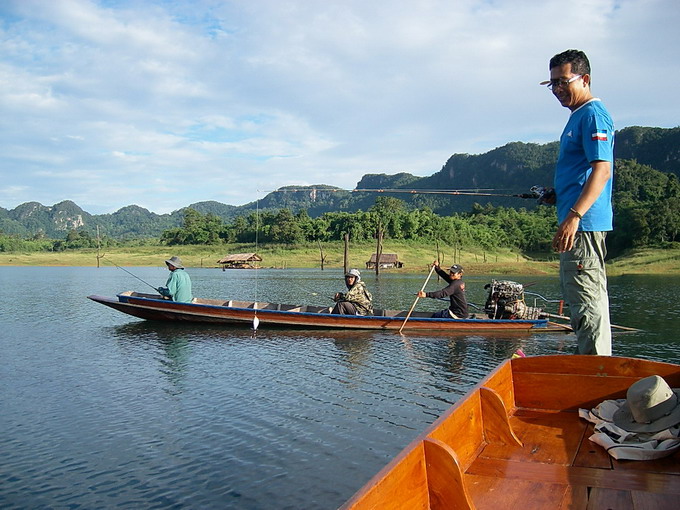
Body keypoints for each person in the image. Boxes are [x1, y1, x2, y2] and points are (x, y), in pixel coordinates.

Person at [541, 49, 614, 355]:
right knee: (582, 302)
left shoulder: (593, 115)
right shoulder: (578, 116)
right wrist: (558, 194)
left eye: (563, 81)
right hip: (577, 222)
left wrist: (573, 215)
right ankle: (594, 372)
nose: (557, 89)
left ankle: (597, 380)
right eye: (552, 83)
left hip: (581, 226)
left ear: (584, 79)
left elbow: (603, 169)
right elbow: (583, 171)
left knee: (587, 306)